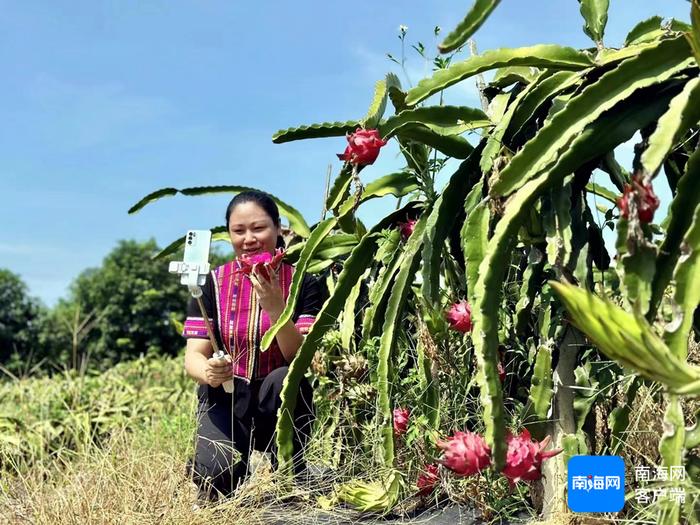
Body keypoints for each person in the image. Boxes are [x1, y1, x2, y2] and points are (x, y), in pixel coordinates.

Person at [182, 190, 322, 501]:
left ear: (277, 228)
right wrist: (210, 371)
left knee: (286, 377)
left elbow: (300, 357)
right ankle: (221, 464)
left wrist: (276, 308)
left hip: (278, 397)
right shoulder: (211, 283)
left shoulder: (305, 283)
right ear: (229, 235)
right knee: (213, 481)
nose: (249, 239)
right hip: (226, 396)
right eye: (239, 231)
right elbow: (193, 356)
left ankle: (289, 465)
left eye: (259, 228)